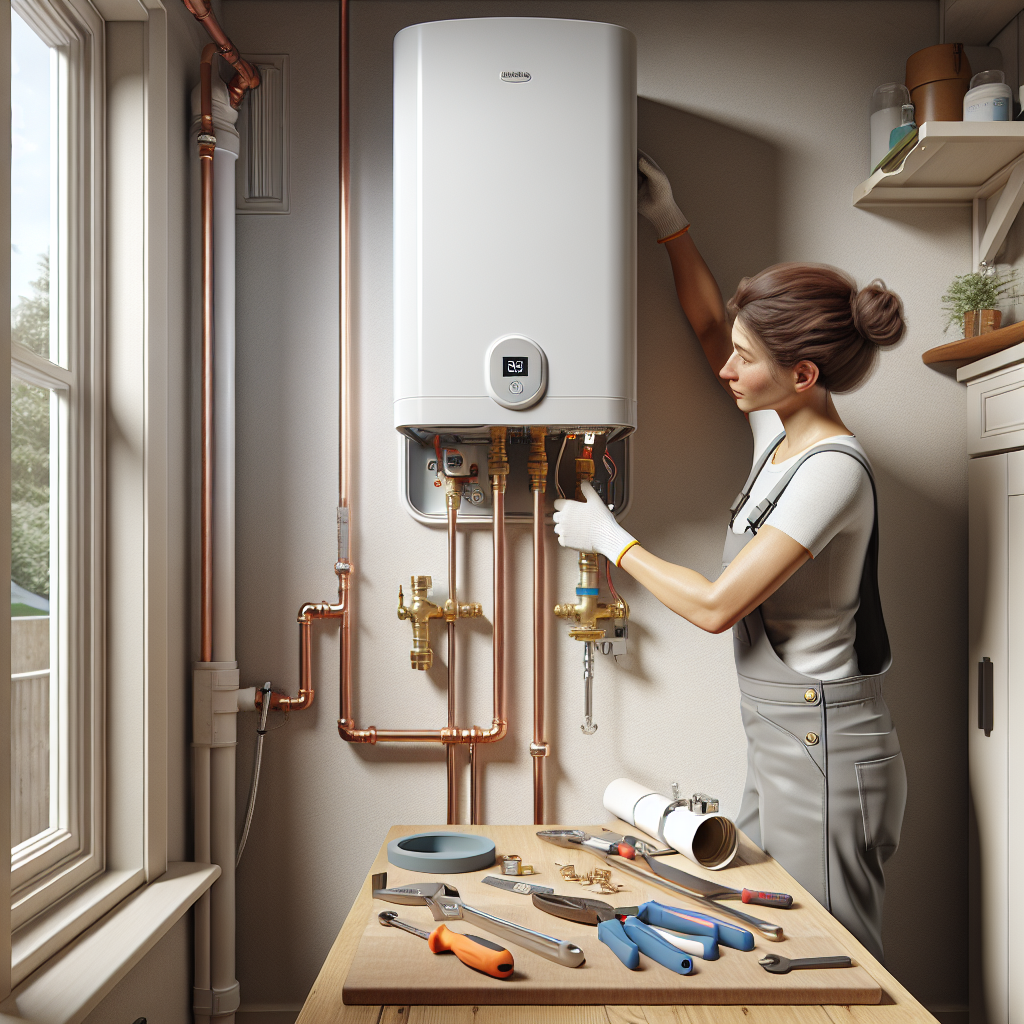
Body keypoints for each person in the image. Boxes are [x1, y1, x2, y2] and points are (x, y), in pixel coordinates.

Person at [552, 152, 908, 961]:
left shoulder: (833, 474)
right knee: (775, 936)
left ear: (804, 374)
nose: (725, 369)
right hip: (786, 741)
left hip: (825, 749)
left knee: (834, 961)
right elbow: (713, 323)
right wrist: (668, 222)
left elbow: (718, 608)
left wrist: (612, 540)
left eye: (747, 360)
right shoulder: (779, 430)